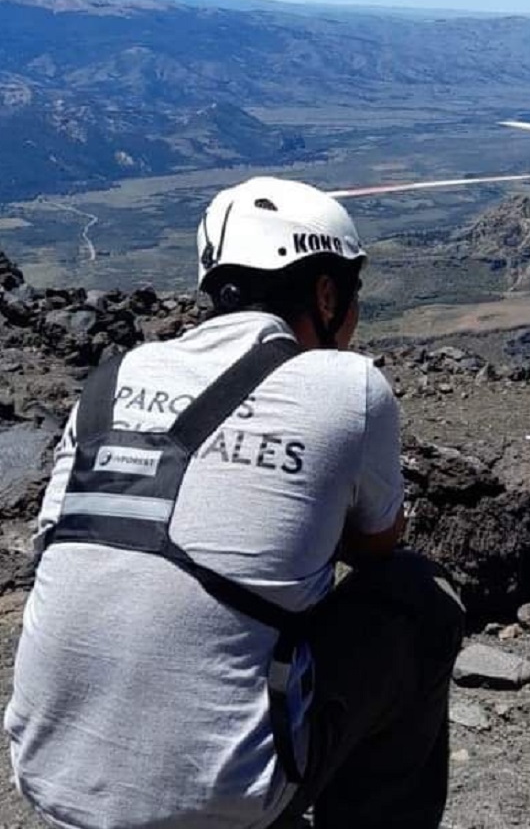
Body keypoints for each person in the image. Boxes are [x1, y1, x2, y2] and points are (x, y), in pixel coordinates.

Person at [5, 177, 464, 829]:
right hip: (221, 803)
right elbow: (378, 550)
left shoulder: (114, 378)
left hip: (48, 774)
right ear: (327, 294)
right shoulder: (350, 386)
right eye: (352, 293)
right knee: (421, 597)